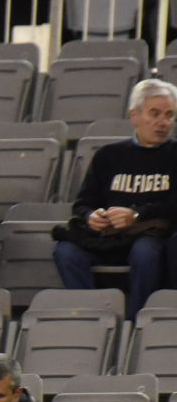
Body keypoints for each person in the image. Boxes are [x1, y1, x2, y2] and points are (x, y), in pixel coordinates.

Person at [57, 77, 177, 316]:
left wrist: (136, 215)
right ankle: (93, 317)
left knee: (145, 252)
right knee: (65, 252)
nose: (163, 122)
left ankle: (137, 322)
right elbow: (83, 203)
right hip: (109, 236)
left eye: (169, 115)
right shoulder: (108, 155)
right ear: (134, 116)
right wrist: (93, 216)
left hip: (151, 235)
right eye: (154, 114)